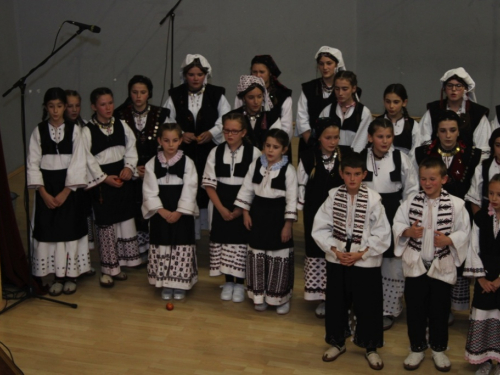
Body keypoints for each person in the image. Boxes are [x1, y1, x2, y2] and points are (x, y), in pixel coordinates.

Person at [312, 152, 390, 371]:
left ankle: (371, 347)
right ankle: (337, 342)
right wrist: (334, 249)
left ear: (364, 174)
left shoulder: (374, 199)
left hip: (364, 260)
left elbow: (382, 233)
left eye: (357, 174)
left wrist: (362, 253)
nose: (352, 178)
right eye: (348, 174)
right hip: (338, 258)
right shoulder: (332, 196)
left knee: (368, 304)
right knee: (336, 303)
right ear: (341, 174)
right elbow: (320, 228)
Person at [393, 157, 470, 372]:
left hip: (441, 265)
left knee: (439, 309)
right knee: (415, 308)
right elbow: (398, 223)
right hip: (416, 264)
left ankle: (438, 349)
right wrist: (407, 232)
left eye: (432, 179)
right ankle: (416, 348)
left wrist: (449, 240)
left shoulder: (456, 205)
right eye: (423, 179)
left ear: (444, 179)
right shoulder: (410, 202)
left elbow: (464, 231)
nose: (427, 183)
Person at [415, 110, 481, 316]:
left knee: (453, 258)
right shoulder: (423, 153)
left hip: (459, 214)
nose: (448, 135)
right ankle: (428, 305)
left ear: (459, 131)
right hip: (430, 213)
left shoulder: (472, 154)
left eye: (452, 130)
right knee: (431, 254)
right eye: (443, 131)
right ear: (437, 132)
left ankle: (449, 307)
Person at [27, 87, 90, 295]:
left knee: (69, 231)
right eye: (51, 107)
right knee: (50, 231)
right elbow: (32, 164)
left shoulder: (75, 130)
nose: (55, 111)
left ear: (65, 107)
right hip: (47, 188)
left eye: (59, 106)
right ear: (46, 107)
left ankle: (71, 275)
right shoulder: (38, 131)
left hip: (68, 190)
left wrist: (65, 192)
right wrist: (43, 193)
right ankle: (57, 276)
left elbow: (78, 163)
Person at [361, 118, 419, 330]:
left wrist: (405, 214)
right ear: (370, 137)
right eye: (379, 136)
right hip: (368, 214)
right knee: (369, 259)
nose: (384, 141)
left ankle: (389, 309)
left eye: (388, 136)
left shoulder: (401, 158)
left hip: (394, 211)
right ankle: (367, 305)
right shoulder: (361, 159)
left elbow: (411, 189)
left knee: (392, 263)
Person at [164, 54, 231, 235]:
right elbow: (167, 120)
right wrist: (180, 134)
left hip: (209, 151)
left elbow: (225, 119)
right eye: (191, 74)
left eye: (199, 74)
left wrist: (212, 133)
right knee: (187, 185)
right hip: (183, 152)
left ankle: (210, 230)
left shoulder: (216, 94)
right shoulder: (175, 95)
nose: (195, 78)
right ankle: (188, 232)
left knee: (206, 186)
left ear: (206, 75)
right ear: (185, 75)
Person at [82, 87, 141, 288]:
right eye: (102, 104)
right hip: (103, 185)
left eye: (110, 103)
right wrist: (104, 178)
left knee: (123, 221)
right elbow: (87, 160)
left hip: (122, 180)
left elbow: (132, 150)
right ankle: (107, 269)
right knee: (106, 226)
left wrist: (128, 168)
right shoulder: (87, 131)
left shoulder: (122, 125)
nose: (108, 107)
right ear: (93, 106)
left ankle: (120, 265)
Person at [235, 129, 297, 314]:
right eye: (267, 146)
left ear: (284, 149)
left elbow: (292, 199)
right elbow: (247, 189)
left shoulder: (289, 170)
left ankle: (280, 298)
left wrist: (287, 225)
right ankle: (259, 296)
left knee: (278, 256)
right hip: (258, 214)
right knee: (258, 255)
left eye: (275, 147)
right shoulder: (256, 164)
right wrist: (245, 213)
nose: (270, 150)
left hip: (278, 217)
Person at [202, 112, 261, 302]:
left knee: (241, 243)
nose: (230, 135)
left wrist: (241, 208)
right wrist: (220, 208)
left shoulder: (254, 153)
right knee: (224, 242)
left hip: (244, 206)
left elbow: (255, 185)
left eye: (234, 131)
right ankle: (228, 281)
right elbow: (209, 184)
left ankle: (240, 282)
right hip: (220, 203)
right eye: (226, 130)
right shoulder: (216, 152)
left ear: (243, 132)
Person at [297, 117, 351, 318]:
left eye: (336, 137)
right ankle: (322, 297)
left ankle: (339, 296)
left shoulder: (345, 156)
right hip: (315, 213)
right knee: (318, 249)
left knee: (338, 250)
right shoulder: (307, 157)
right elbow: (301, 185)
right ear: (319, 138)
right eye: (328, 137)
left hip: (340, 214)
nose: (333, 141)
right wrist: (300, 206)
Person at [115, 75, 172, 263]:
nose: (138, 96)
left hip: (156, 168)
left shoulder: (162, 113)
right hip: (129, 169)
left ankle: (154, 249)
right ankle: (135, 251)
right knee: (133, 207)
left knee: (154, 205)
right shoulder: (119, 115)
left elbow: (169, 142)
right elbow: (117, 146)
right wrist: (131, 167)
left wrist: (152, 168)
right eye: (134, 92)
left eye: (143, 92)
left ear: (149, 94)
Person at [142, 123, 199, 300]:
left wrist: (179, 211)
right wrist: (161, 210)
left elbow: (191, 188)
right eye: (166, 141)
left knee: (181, 244)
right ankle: (165, 282)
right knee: (163, 243)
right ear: (159, 141)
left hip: (181, 212)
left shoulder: (188, 162)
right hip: (161, 212)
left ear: (181, 141)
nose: (171, 144)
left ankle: (180, 283)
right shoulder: (152, 163)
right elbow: (149, 190)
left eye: (175, 140)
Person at [464, 174, 500, 375]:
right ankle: (484, 361)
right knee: (484, 316)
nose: (494, 198)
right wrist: (482, 278)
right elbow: (473, 248)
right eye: (491, 193)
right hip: (484, 277)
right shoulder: (480, 218)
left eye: (499, 194)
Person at [419, 67, 491, 158]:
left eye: (458, 85)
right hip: (436, 163)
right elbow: (423, 140)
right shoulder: (434, 110)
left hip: (468, 164)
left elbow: (482, 148)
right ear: (444, 89)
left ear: (465, 89)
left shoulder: (477, 113)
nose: (453, 89)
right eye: (450, 85)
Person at [64, 89, 96, 265]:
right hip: (64, 182)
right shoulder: (56, 128)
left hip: (83, 183)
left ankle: (84, 261)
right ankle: (69, 262)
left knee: (84, 219)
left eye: (77, 105)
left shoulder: (85, 126)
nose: (74, 109)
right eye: (70, 106)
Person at [296, 46, 346, 155]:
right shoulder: (308, 88)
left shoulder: (345, 90)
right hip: (310, 144)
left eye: (329, 63)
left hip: (337, 147)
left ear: (337, 65)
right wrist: (313, 144)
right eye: (321, 64)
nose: (325, 67)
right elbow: (302, 118)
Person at [234, 55, 293, 142]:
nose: (258, 75)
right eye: (254, 72)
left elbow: (286, 128)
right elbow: (236, 119)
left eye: (262, 72)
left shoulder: (283, 95)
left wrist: (272, 147)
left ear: (270, 73)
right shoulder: (242, 94)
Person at [319, 71, 371, 152]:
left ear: (353, 88)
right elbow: (321, 139)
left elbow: (360, 143)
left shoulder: (363, 113)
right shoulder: (328, 110)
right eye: (337, 89)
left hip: (353, 161)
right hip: (331, 159)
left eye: (344, 89)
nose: (340, 93)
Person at [227, 75, 281, 150]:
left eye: (259, 97)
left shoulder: (272, 117)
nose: (256, 102)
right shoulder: (233, 117)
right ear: (243, 98)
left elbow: (276, 144)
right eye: (251, 97)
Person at [377, 84, 421, 157]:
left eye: (396, 102)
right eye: (388, 101)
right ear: (383, 101)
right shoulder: (376, 123)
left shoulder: (413, 125)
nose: (391, 106)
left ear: (404, 102)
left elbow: (415, 154)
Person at [466, 128, 500, 215]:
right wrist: (481, 222)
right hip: (488, 220)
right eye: (498, 145)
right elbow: (475, 199)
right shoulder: (484, 167)